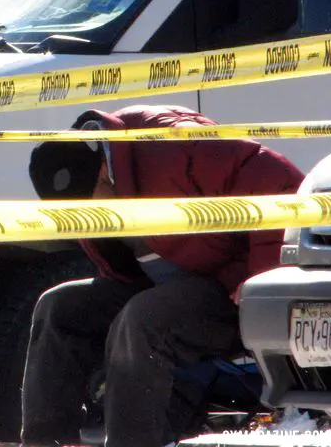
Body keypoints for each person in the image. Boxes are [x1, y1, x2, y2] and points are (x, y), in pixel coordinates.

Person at [20, 105, 303, 447]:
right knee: (58, 307)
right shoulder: (87, 178)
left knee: (142, 321)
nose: (90, 220)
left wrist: (264, 275)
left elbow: (277, 179)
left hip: (230, 289)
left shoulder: (173, 143)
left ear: (104, 172)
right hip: (159, 288)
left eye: (91, 208)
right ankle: (44, 440)